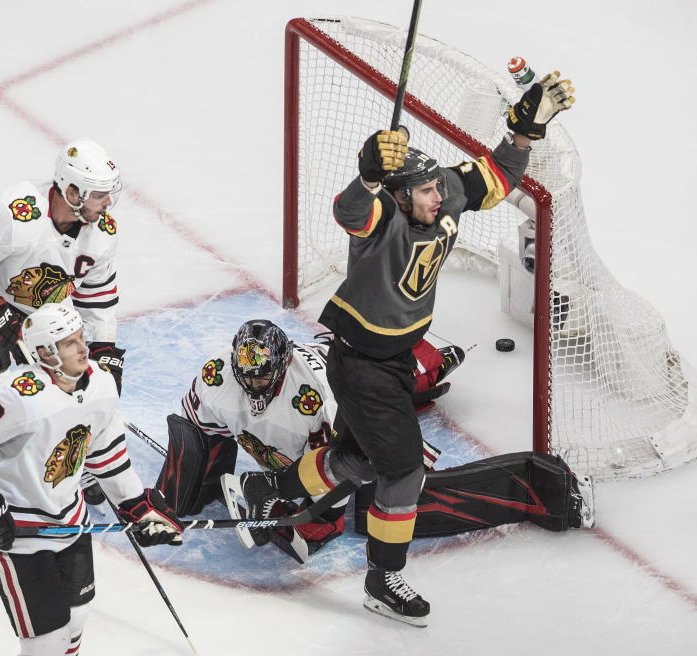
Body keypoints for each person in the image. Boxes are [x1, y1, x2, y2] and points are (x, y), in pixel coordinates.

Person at [234, 73, 579, 626]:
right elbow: (349, 211)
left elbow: (496, 177)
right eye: (425, 192)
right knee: (402, 471)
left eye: (438, 189)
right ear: (399, 196)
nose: (439, 198)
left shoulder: (439, 190)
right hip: (362, 365)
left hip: (394, 361)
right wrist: (368, 173)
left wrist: (525, 129)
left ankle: (266, 487)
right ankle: (382, 577)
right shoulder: (381, 220)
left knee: (359, 458)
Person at [0, 303, 181, 656]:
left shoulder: (100, 382)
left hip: (72, 522)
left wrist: (136, 507)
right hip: (20, 536)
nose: (84, 349)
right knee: (46, 644)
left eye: (81, 338)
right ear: (45, 353)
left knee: (76, 620)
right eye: (70, 343)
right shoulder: (19, 398)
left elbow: (106, 452)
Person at [155, 319, 465, 563]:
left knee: (398, 391)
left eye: (262, 378)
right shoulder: (217, 375)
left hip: (354, 382)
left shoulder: (317, 399)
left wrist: (320, 516)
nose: (253, 386)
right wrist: (195, 468)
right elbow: (196, 427)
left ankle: (433, 362)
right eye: (246, 377)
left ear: (283, 365)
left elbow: (341, 463)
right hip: (321, 358)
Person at [0, 138, 127, 404]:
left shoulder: (103, 233)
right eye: (99, 195)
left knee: (62, 381)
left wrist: (104, 348)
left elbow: (97, 295)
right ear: (71, 193)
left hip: (30, 302)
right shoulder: (15, 213)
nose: (107, 203)